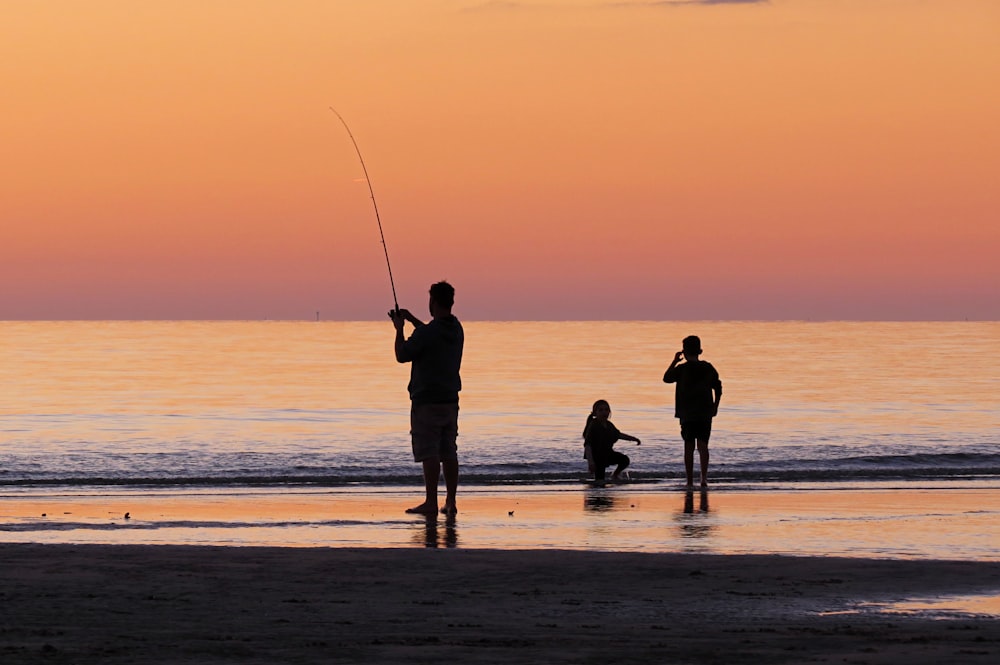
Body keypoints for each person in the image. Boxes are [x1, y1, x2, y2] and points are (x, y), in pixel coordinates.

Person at [389, 281, 464, 516]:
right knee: (449, 451)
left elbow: (402, 355)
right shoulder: (455, 328)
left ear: (433, 301)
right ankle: (450, 502)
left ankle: (431, 501)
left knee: (430, 451)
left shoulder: (427, 333)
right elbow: (431, 335)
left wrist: (400, 328)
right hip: (450, 401)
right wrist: (412, 320)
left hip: (427, 402)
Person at [663, 335, 722, 488]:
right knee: (703, 446)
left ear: (684, 351)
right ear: (700, 350)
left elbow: (666, 378)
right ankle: (703, 478)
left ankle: (689, 481)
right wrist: (715, 406)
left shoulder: (682, 369)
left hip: (687, 413)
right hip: (704, 413)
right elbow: (718, 387)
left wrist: (675, 360)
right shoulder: (707, 367)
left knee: (688, 447)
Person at [583, 399, 641, 483]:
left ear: (609, 412)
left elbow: (618, 435)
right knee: (599, 482)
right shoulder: (593, 426)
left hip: (608, 454)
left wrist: (633, 439)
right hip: (597, 458)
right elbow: (587, 446)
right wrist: (591, 462)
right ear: (595, 413)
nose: (604, 412)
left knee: (624, 460)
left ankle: (615, 475)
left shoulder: (609, 425)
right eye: (601, 410)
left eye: (606, 410)